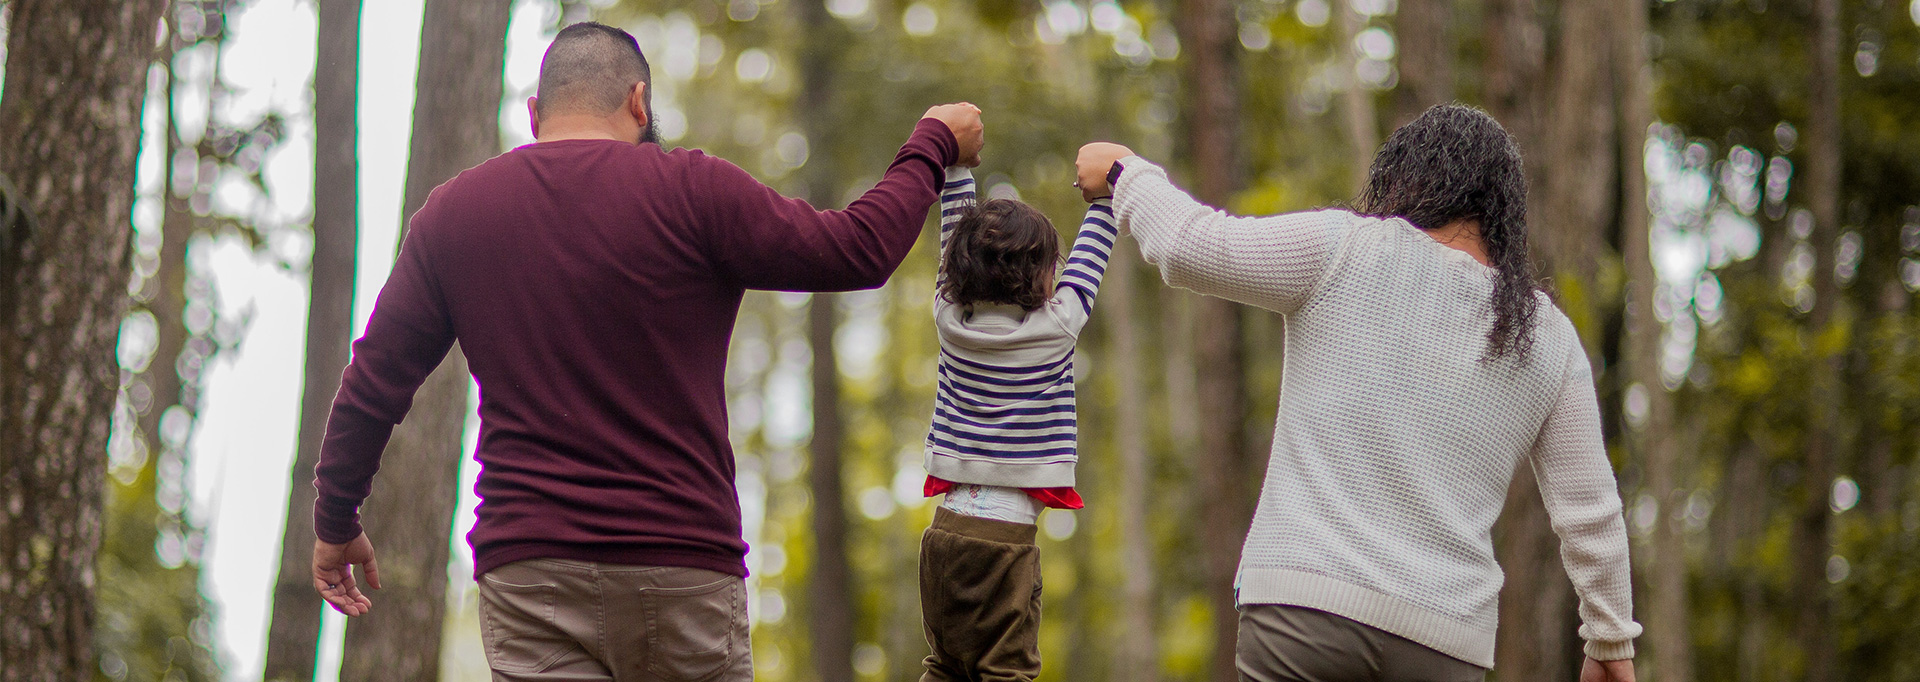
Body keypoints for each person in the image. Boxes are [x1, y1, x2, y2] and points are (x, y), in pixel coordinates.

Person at [304, 21, 983, 681]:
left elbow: (374, 383)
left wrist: (336, 520)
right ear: (638, 102)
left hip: (532, 571)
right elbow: (856, 250)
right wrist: (931, 144)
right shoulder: (693, 190)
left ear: (536, 111)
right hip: (682, 567)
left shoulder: (454, 213)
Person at [1071, 103, 1641, 682]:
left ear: (1403, 179)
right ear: (1504, 214)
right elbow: (1590, 511)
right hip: (1444, 640)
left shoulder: (1346, 247)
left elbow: (1191, 245)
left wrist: (1125, 172)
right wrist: (1610, 639)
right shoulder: (1546, 335)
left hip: (1304, 610)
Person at [914, 167, 1119, 681]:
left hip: (944, 535)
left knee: (945, 667)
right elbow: (1094, 254)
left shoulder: (950, 323)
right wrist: (1106, 195)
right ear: (1043, 274)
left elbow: (951, 240)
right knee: (1007, 674)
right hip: (1004, 541)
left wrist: (958, 168)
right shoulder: (1056, 329)